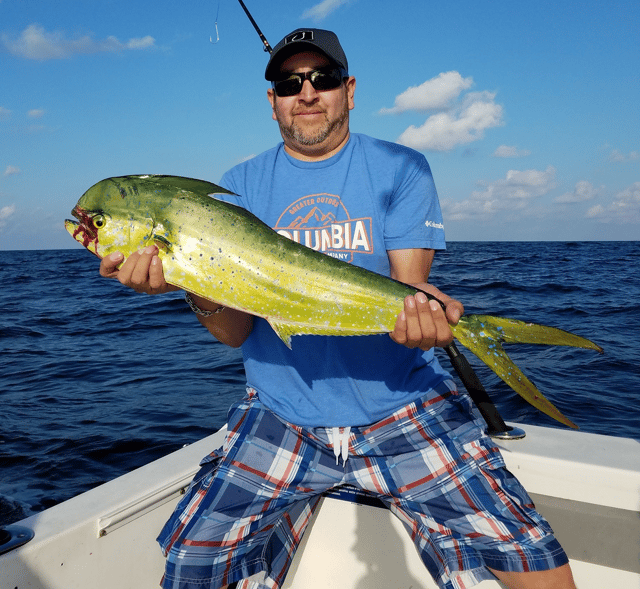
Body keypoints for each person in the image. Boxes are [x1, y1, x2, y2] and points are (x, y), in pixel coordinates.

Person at [100, 29, 577, 589]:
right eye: (288, 83)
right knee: (194, 560)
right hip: (281, 413)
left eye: (322, 79)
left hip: (402, 406)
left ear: (349, 90)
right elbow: (234, 334)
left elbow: (409, 290)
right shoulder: (236, 188)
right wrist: (187, 281)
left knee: (527, 557)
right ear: (272, 100)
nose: (306, 93)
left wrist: (426, 325)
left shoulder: (402, 167)